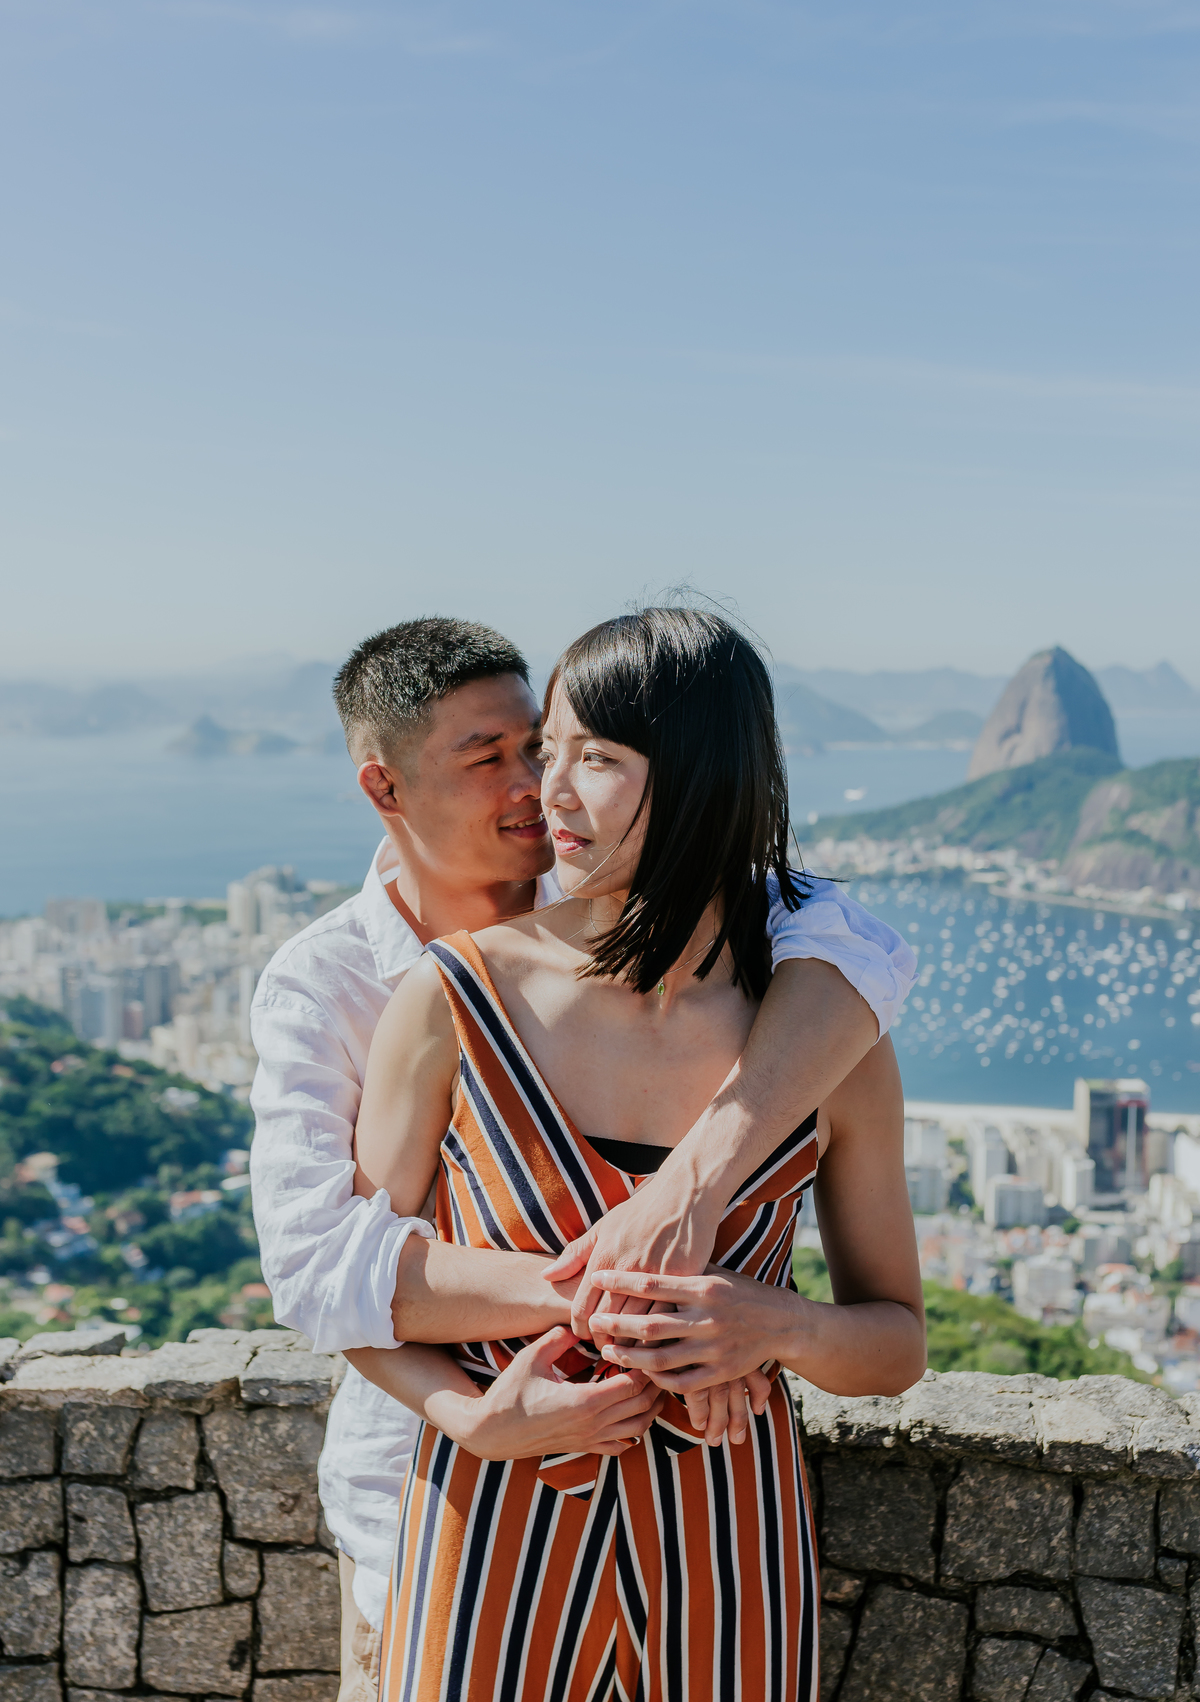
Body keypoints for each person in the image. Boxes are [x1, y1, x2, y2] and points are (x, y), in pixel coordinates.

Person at [248, 616, 916, 1700]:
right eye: (504, 757)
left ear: (697, 774)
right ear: (386, 787)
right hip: (464, 1500)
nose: (540, 787)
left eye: (573, 752)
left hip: (726, 1530)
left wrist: (774, 1322)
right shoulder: (412, 990)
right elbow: (333, 1276)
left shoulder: (823, 1020)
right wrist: (643, 1312)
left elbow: (895, 1337)